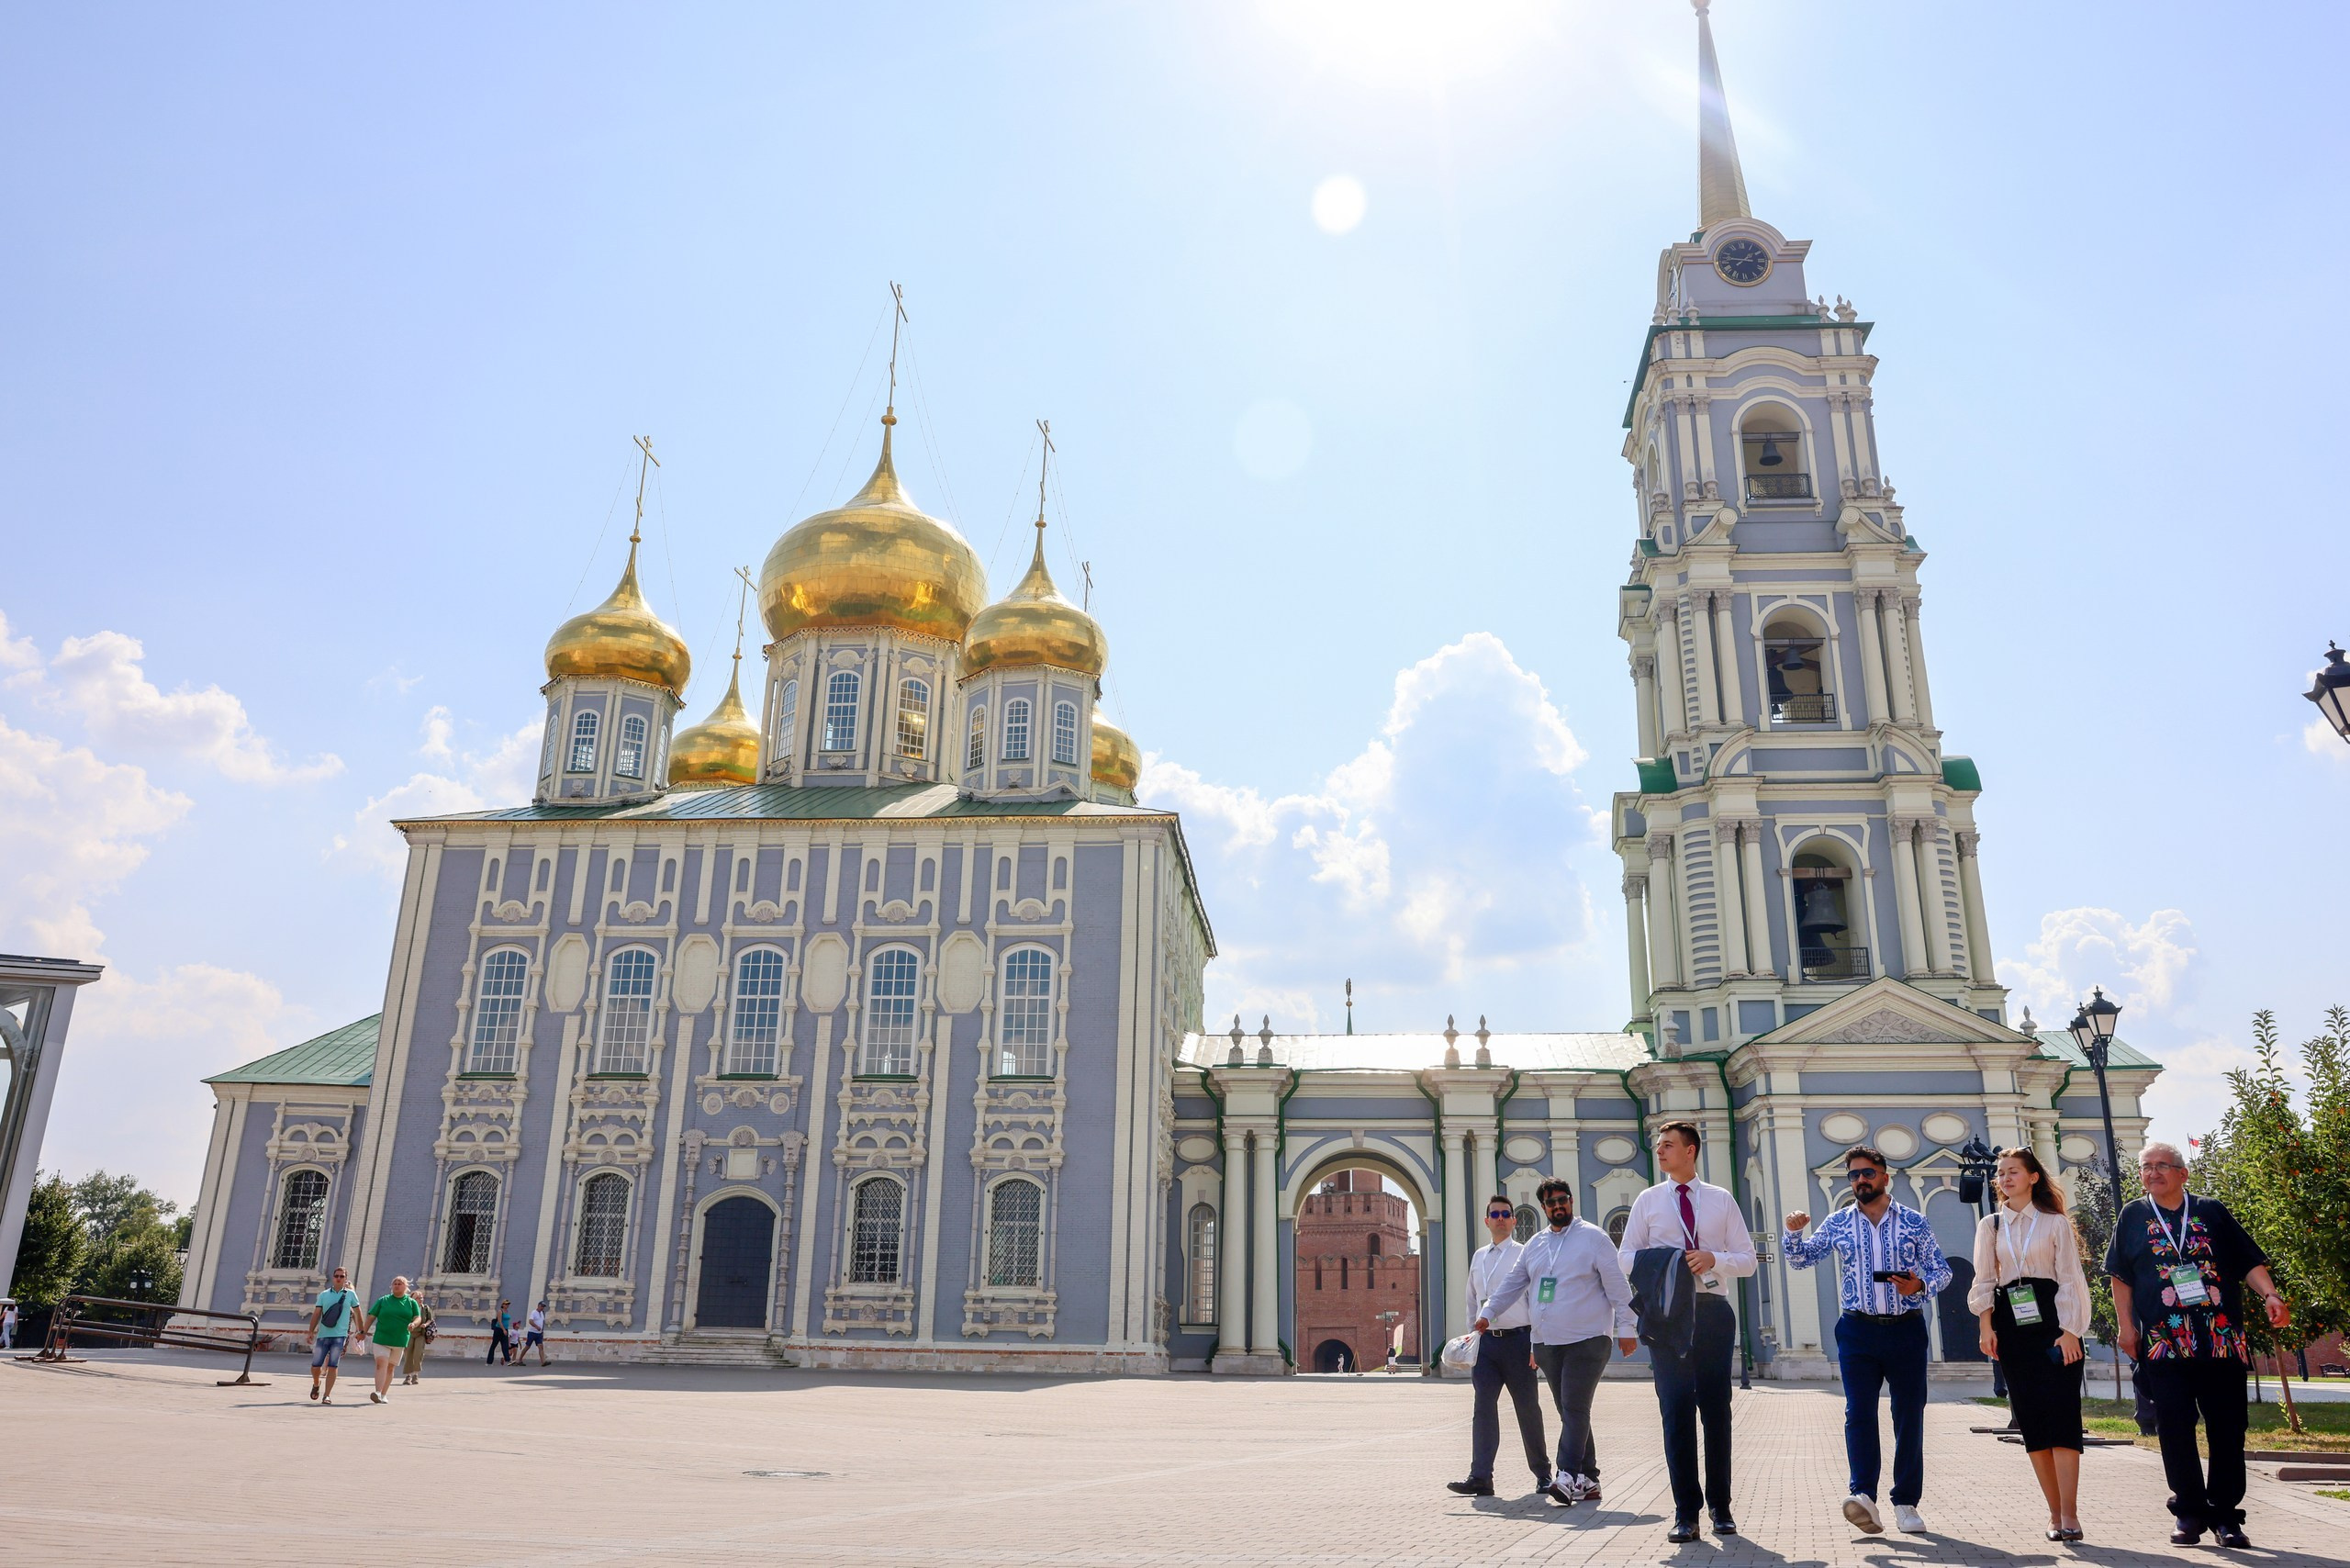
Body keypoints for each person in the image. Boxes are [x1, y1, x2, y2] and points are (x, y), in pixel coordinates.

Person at [2105, 1140, 2289, 1551]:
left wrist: (2270, 1295)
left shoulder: (2210, 1210)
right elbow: (2121, 1275)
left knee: (2228, 1428)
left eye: (2162, 1166)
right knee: (2173, 1427)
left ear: (2183, 1173)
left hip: (2220, 1340)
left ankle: (2226, 1515)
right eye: (2146, 1167)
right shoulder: (2133, 1215)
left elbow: (2248, 1261)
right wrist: (2126, 1327)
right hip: (2164, 1342)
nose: (2153, 1173)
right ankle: (2189, 1511)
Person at [1784, 1143, 1951, 1537]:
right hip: (1857, 1330)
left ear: (1884, 1176)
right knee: (1858, 1413)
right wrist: (1793, 1234)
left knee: (1908, 1415)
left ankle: (1906, 1503)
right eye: (1854, 1175)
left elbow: (1942, 1271)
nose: (1860, 1180)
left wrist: (1919, 1286)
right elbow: (1802, 1259)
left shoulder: (1914, 1221)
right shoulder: (1839, 1222)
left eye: (1867, 1173)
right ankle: (1863, 1497)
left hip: (1906, 1328)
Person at [1614, 1120, 1755, 1543]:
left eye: (1668, 1145)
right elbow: (1625, 1258)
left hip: (1712, 1312)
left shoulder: (1720, 1200)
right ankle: (1685, 1512)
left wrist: (1714, 1259)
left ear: (1690, 1150)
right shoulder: (1648, 1200)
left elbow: (1747, 1260)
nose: (1659, 1152)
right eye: (1659, 1145)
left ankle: (1721, 1508)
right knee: (1675, 1411)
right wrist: (1669, 1262)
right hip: (1666, 1318)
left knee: (1716, 1411)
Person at [1474, 1177, 1639, 1508]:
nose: (1557, 1206)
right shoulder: (1535, 1244)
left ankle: (1565, 1475)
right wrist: (1487, 1312)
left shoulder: (1594, 1238)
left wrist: (1628, 1327)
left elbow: (1618, 1287)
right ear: (1544, 1207)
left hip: (1588, 1339)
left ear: (1572, 1200)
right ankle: (1589, 1479)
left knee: (1575, 1405)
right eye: (1550, 1203)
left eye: (1562, 1200)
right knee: (1568, 1409)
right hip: (1549, 1343)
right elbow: (1512, 1284)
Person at [1969, 1147, 2090, 1541]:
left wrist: (2072, 1330)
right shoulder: (1991, 1226)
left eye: (2013, 1172)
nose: (2004, 1178)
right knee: (2033, 1423)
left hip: (2055, 1325)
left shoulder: (2055, 1223)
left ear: (2033, 1177)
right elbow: (1984, 1280)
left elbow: (2071, 1278)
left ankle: (2071, 1514)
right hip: (2012, 1329)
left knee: (2063, 1418)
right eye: (2001, 1173)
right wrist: (1986, 1327)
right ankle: (2053, 1516)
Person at [1447, 1195, 1550, 1499]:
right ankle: (1480, 1476)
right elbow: (1471, 1299)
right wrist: (1472, 1335)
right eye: (1495, 1214)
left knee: (1528, 1409)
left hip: (1519, 1341)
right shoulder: (1479, 1257)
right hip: (1487, 1345)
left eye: (1507, 1214)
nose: (1501, 1218)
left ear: (1515, 1221)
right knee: (1483, 1409)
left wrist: (1536, 1343)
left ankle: (1543, 1474)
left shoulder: (1524, 1254)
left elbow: (1536, 1300)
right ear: (1487, 1221)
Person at [305, 1266, 363, 1405]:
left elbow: (358, 1313)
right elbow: (317, 1313)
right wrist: (311, 1331)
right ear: (333, 1277)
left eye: (342, 1276)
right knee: (315, 1365)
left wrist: (361, 1331)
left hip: (340, 1336)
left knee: (333, 1365)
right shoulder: (324, 1294)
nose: (338, 1278)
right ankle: (316, 1383)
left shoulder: (351, 1295)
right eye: (336, 1276)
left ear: (345, 1279)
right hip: (323, 1335)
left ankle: (327, 1395)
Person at [365, 1275, 423, 1405]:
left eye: (400, 1283)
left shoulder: (411, 1302)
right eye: (395, 1283)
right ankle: (378, 1392)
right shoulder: (383, 1300)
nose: (396, 1285)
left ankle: (384, 1394)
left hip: (400, 1339)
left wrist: (413, 1324)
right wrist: (363, 1332)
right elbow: (371, 1316)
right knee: (381, 1363)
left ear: (406, 1287)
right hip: (382, 1337)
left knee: (390, 1368)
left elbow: (417, 1317)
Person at [399, 1291, 436, 1386]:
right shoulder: (408, 1308)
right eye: (418, 1298)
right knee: (408, 1355)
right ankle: (408, 1377)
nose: (420, 1300)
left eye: (421, 1298)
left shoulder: (425, 1308)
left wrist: (425, 1324)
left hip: (421, 1334)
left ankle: (415, 1375)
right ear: (413, 1299)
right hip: (409, 1334)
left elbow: (430, 1319)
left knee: (418, 1354)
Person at [522, 1300, 550, 1366]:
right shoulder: (534, 1312)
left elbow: (542, 1322)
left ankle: (543, 1362)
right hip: (532, 1332)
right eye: (542, 1306)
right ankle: (520, 1359)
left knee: (541, 1346)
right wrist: (536, 1326)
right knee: (527, 1346)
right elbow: (530, 1321)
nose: (542, 1307)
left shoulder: (542, 1313)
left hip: (539, 1333)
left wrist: (542, 1330)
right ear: (538, 1306)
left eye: (543, 1306)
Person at [487, 1298, 513, 1366]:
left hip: (505, 1329)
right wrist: (503, 1329)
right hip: (499, 1329)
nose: (507, 1305)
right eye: (506, 1304)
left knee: (505, 1345)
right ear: (503, 1305)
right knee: (494, 1345)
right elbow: (499, 1321)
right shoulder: (500, 1311)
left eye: (508, 1304)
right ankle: (489, 1361)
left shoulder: (507, 1311)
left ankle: (508, 1360)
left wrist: (506, 1329)